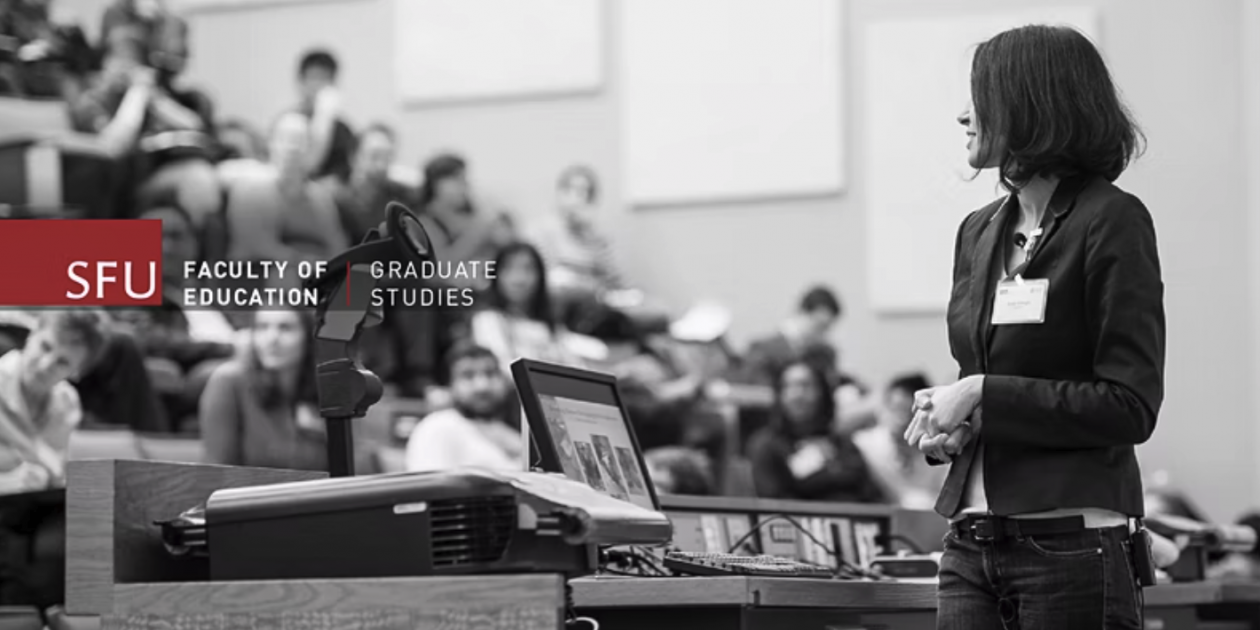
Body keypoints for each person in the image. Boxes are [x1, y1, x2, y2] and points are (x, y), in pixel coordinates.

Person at [901, 25, 1163, 629]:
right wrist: (957, 426)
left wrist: (981, 393)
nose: (964, 116)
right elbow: (990, 380)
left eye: (981, 97)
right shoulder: (977, 230)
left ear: (1030, 104)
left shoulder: (1112, 221)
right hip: (968, 546)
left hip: (1070, 548)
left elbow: (1130, 406)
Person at [199, 308, 326, 471]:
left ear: (308, 337)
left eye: (285, 328)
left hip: (315, 495)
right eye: (262, 327)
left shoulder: (326, 388)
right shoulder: (228, 382)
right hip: (248, 495)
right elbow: (216, 472)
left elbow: (353, 470)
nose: (272, 338)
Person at [0, 310, 108, 494]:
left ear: (77, 372)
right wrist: (8, 483)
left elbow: (53, 472)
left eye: (63, 362)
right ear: (32, 334)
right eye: (45, 346)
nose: (45, 365)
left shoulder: (68, 403)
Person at [746, 360, 884, 503]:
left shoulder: (842, 443)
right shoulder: (766, 445)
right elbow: (773, 501)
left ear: (822, 393)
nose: (797, 395)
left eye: (806, 386)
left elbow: (870, 494)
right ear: (779, 396)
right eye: (788, 387)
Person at [404, 342, 523, 472]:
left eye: (490, 373)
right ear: (450, 385)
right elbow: (429, 488)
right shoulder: (438, 427)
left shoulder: (512, 431)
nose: (482, 386)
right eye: (468, 375)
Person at [469, 241, 583, 371]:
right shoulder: (488, 320)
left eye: (528, 269)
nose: (519, 278)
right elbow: (502, 369)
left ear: (541, 276)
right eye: (509, 269)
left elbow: (576, 368)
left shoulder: (552, 326)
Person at [852, 373, 947, 509]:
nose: (901, 420)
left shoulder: (937, 450)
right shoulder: (864, 445)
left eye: (907, 411)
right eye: (895, 409)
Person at [294, 48, 356, 182]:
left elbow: (345, 175)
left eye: (325, 79)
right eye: (313, 77)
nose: (318, 86)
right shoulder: (288, 123)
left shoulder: (342, 131)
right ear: (301, 81)